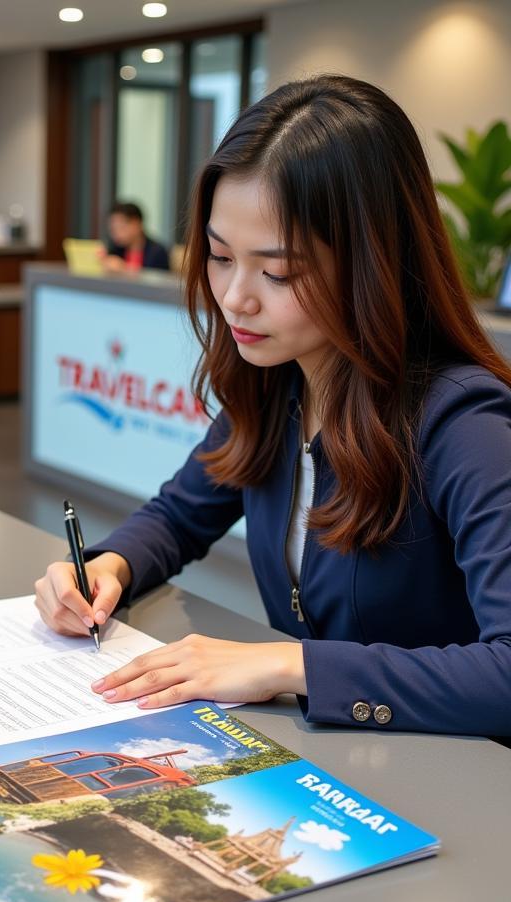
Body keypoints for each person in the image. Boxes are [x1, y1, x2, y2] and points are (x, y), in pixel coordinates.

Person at [35, 75, 511, 739]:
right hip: (333, 761)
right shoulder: (278, 385)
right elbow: (179, 515)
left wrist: (293, 666)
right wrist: (106, 568)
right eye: (220, 257)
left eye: (278, 272)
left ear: (372, 261)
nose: (235, 297)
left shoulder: (463, 425)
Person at [103, 201, 170, 273]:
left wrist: (124, 268)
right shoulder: (115, 250)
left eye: (121, 227)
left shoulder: (157, 252)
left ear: (137, 224)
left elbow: (159, 280)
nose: (116, 234)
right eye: (113, 229)